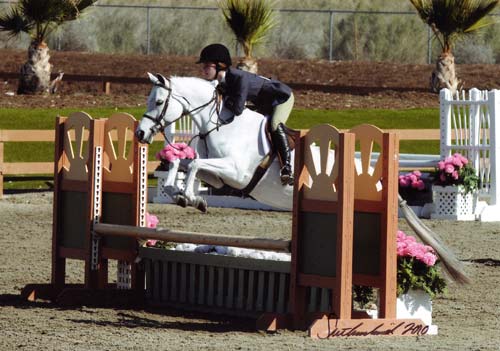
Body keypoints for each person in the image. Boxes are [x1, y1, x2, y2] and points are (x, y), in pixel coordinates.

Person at [197, 43, 295, 186]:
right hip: (262, 103)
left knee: (274, 124)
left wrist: (226, 97)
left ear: (220, 65)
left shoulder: (238, 78)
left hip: (280, 98)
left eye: (207, 65)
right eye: (203, 65)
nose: (203, 69)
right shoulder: (221, 82)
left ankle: (286, 168)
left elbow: (237, 109)